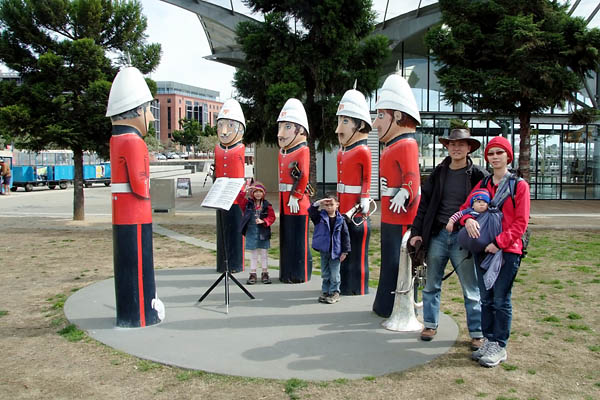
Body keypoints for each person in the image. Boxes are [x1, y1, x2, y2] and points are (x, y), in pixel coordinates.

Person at [409, 128, 487, 350]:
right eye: (452, 144)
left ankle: (477, 332)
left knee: (471, 288)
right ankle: (430, 324)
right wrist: (416, 232)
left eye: (461, 144)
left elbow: (487, 207)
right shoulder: (438, 173)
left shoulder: (479, 175)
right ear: (447, 147)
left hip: (464, 237)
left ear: (469, 147)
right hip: (438, 235)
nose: (456, 147)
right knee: (430, 283)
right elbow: (424, 205)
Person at [462, 136, 530, 368]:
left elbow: (520, 223)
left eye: (499, 153)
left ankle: (499, 345)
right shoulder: (483, 185)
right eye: (491, 153)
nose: (495, 157)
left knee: (500, 299)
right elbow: (465, 208)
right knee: (486, 298)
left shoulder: (518, 185)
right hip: (484, 250)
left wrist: (499, 242)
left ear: (508, 156)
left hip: (507, 251)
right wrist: (469, 219)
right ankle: (489, 340)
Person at [106, 66, 164, 328]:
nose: (151, 118)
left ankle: (136, 309)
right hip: (136, 214)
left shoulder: (116, 139)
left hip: (123, 214)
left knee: (130, 259)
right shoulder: (133, 141)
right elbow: (140, 185)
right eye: (148, 110)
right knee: (139, 259)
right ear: (137, 110)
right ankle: (142, 312)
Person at [372, 73, 421, 318]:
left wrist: (405, 191)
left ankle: (398, 305)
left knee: (399, 262)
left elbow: (412, 176)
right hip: (390, 215)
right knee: (389, 261)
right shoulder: (391, 146)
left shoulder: (407, 144)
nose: (375, 123)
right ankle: (386, 304)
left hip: (402, 217)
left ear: (398, 116)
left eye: (381, 115)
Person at [335, 84, 373, 295]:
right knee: (342, 247)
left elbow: (366, 177)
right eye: (340, 121)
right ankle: (343, 283)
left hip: (356, 208)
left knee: (356, 246)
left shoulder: (363, 150)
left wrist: (365, 196)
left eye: (345, 121)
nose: (340, 128)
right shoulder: (343, 151)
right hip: (343, 207)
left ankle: (356, 285)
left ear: (359, 125)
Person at [277, 98, 313, 283]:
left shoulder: (302, 150)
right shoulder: (282, 152)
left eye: (287, 127)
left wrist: (296, 195)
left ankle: (300, 273)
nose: (281, 134)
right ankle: (287, 272)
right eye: (280, 127)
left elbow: (304, 175)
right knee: (286, 238)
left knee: (298, 239)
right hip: (284, 201)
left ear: (300, 130)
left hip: (296, 202)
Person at [214, 99, 246, 274]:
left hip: (235, 198)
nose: (224, 131)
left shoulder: (240, 148)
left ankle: (235, 263)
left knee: (234, 229)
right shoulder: (218, 149)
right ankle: (223, 262)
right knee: (222, 231)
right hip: (220, 196)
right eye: (221, 125)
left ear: (240, 129)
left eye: (230, 126)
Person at [308, 194, 351, 304]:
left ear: (337, 205)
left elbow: (345, 236)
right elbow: (311, 211)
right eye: (326, 205)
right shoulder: (319, 217)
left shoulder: (341, 220)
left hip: (336, 251)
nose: (329, 207)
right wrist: (319, 202)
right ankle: (325, 291)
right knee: (325, 272)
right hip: (324, 250)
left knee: (335, 273)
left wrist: (345, 251)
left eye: (331, 204)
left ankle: (335, 292)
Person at [238, 182, 276, 285]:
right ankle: (252, 273)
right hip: (251, 231)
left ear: (263, 193)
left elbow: (272, 217)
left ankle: (265, 273)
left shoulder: (267, 205)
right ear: (252, 193)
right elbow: (239, 199)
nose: (258, 194)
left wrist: (264, 221)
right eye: (256, 192)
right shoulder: (248, 204)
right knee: (253, 253)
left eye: (260, 192)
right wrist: (245, 190)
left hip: (263, 231)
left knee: (264, 253)